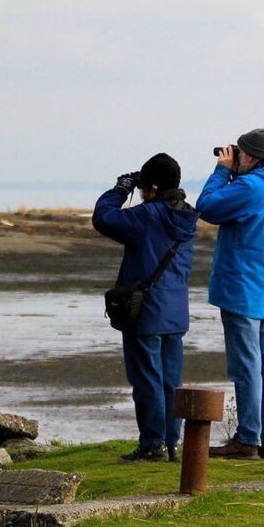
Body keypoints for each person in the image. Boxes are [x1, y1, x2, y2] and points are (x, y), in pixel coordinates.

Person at [197, 128, 264, 460]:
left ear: (251, 157)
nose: (233, 158)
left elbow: (208, 207)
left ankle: (248, 438)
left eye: (238, 153)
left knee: (247, 364)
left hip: (242, 284)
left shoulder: (251, 185)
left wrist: (222, 171)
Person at [92, 153, 199, 463]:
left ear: (151, 187)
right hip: (175, 311)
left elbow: (104, 218)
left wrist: (120, 189)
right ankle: (170, 443)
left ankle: (152, 444)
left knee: (147, 380)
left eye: (143, 188)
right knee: (169, 381)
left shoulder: (148, 216)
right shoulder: (187, 216)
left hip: (146, 311)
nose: (140, 193)